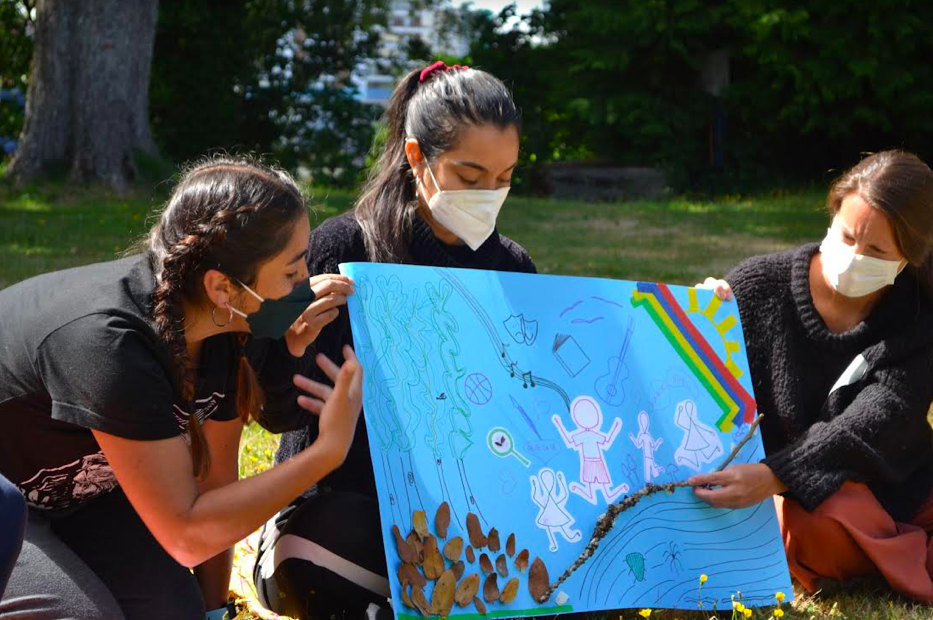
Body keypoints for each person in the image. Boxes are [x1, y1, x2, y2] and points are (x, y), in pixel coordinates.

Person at [0, 157, 363, 620]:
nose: (305, 283)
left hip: (76, 499)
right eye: (292, 272)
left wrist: (212, 609)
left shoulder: (223, 325)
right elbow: (187, 534)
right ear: (222, 287)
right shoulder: (110, 344)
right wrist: (326, 452)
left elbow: (215, 482)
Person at [253, 61, 536, 620]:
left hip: (465, 511)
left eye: (504, 178)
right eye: (470, 177)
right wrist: (288, 339)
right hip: (343, 503)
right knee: (316, 548)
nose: (489, 194)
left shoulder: (513, 268)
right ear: (416, 157)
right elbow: (274, 410)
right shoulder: (342, 248)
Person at [690, 150, 933, 603]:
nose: (855, 257)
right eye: (847, 236)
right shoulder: (758, 286)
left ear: (907, 258)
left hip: (891, 481)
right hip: (806, 499)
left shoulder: (918, 317)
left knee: (824, 518)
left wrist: (776, 475)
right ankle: (899, 550)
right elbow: (694, 387)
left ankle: (890, 544)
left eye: (877, 251)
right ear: (832, 215)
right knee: (813, 525)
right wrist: (699, 321)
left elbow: (877, 420)